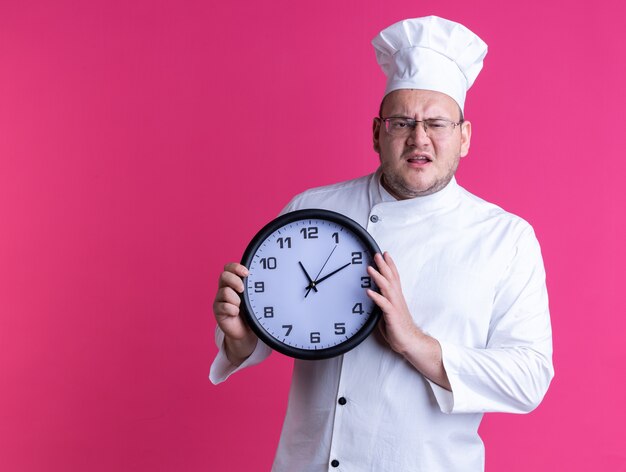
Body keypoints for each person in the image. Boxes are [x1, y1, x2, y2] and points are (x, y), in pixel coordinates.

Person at [210, 16, 554, 472]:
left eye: (437, 123)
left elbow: (529, 377)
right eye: (401, 123)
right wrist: (239, 338)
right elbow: (268, 325)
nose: (420, 139)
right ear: (377, 132)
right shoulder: (310, 209)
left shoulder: (504, 238)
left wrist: (416, 342)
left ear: (465, 137)